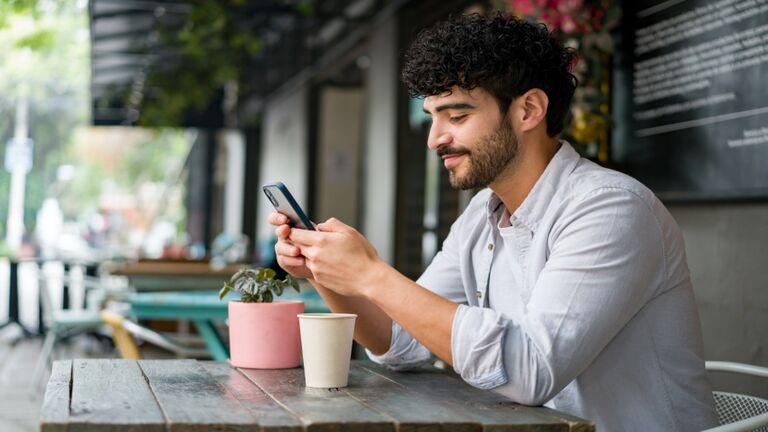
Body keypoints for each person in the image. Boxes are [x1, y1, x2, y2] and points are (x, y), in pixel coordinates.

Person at [269, 13, 717, 431]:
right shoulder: (481, 218)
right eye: (432, 118)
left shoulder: (610, 209)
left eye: (457, 116)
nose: (434, 140)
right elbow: (401, 345)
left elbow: (529, 372)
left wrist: (371, 273)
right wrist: (327, 271)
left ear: (528, 111)